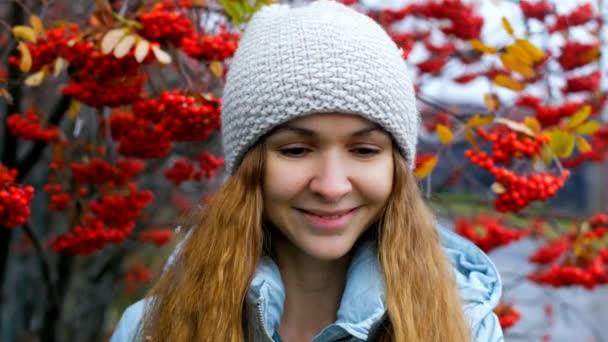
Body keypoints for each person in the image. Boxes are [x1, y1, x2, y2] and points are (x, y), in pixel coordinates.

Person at [110, 1, 504, 341]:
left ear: (396, 168)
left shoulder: (465, 328)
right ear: (250, 168)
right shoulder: (154, 328)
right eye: (296, 150)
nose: (332, 186)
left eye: (364, 150)